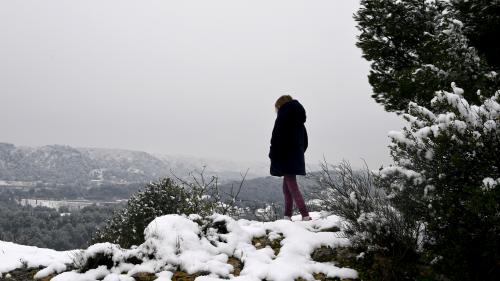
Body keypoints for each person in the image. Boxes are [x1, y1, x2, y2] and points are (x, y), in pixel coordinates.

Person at [269, 95, 311, 221]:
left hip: (285, 157)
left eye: (276, 108)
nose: (276, 111)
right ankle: (287, 216)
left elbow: (276, 139)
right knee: (287, 188)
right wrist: (297, 154)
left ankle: (305, 215)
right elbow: (305, 142)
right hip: (294, 157)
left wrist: (273, 155)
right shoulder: (299, 121)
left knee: (292, 188)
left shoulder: (282, 119)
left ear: (280, 106)